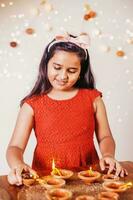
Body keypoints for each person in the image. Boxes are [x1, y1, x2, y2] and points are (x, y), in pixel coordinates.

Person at [6, 33, 128, 186]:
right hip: (47, 179)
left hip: (88, 176)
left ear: (80, 72)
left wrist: (108, 155)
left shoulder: (93, 99)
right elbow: (15, 147)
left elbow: (105, 137)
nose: (63, 76)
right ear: (46, 64)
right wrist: (17, 164)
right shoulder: (32, 104)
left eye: (71, 71)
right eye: (57, 67)